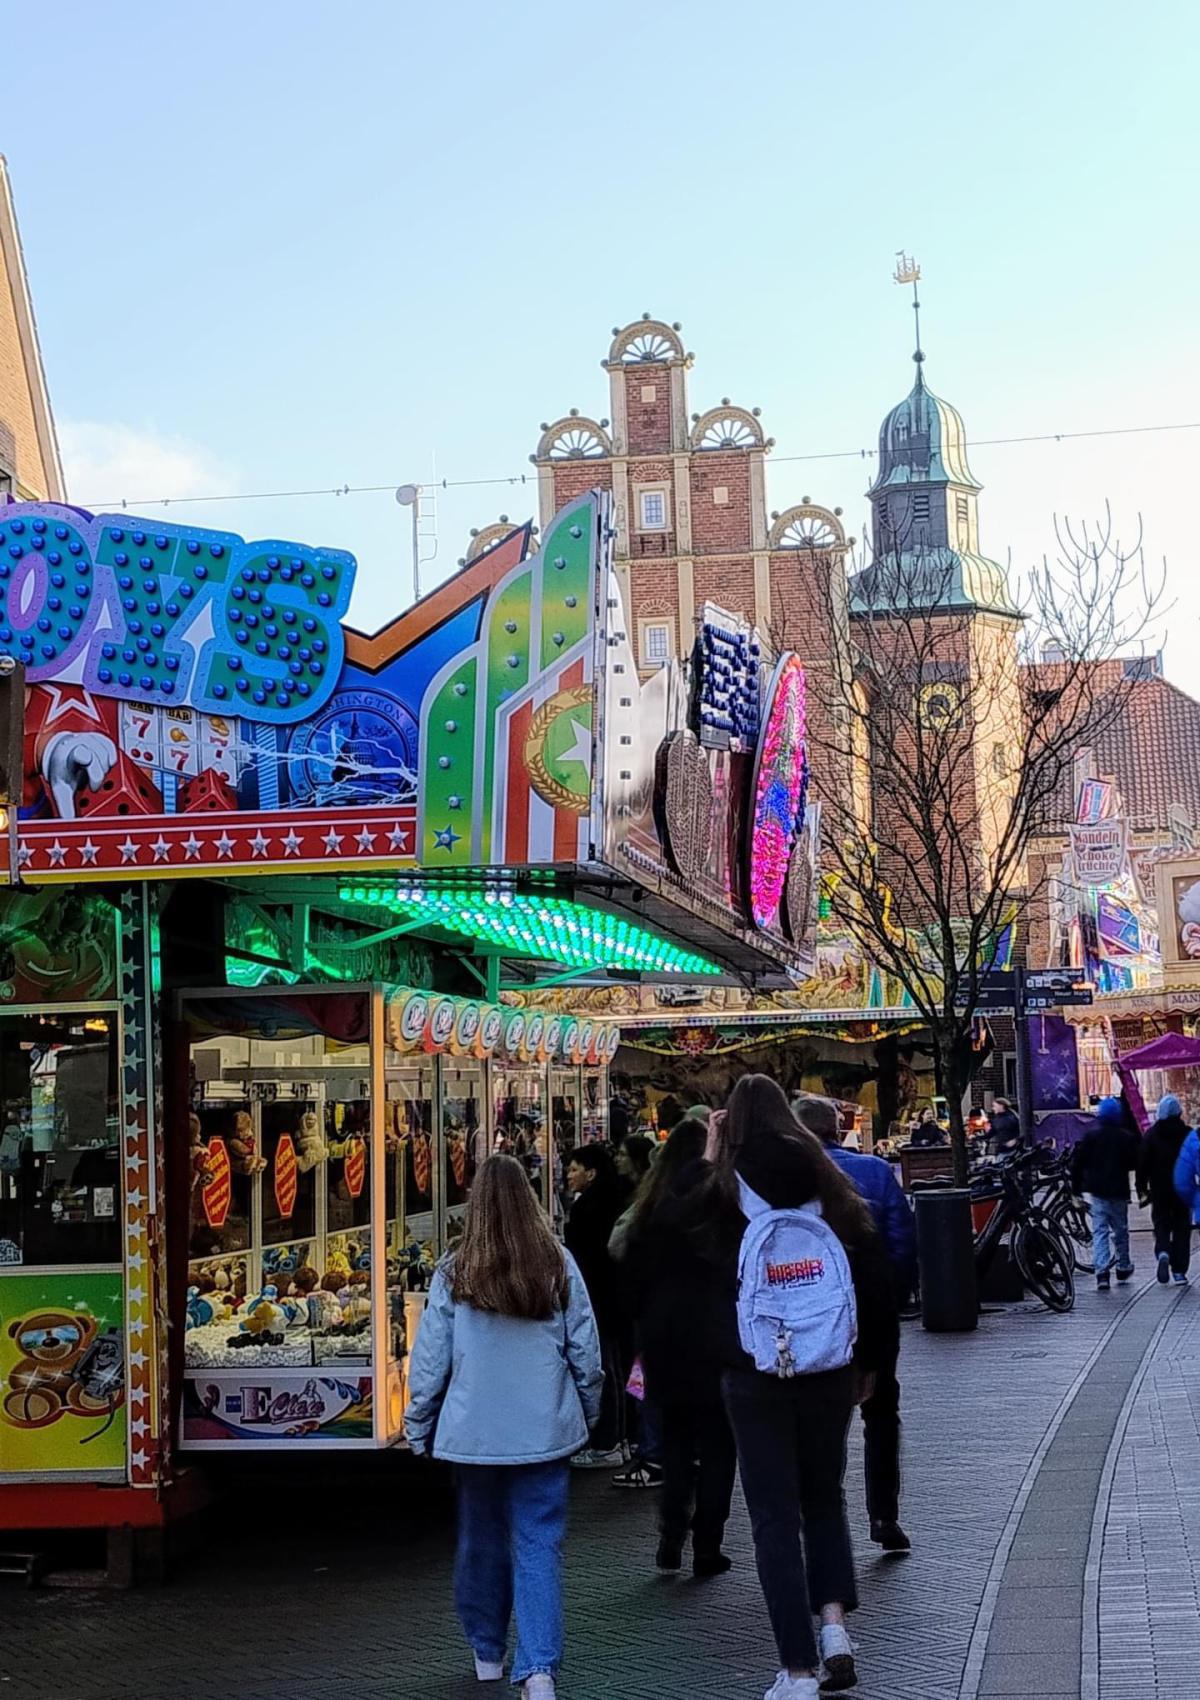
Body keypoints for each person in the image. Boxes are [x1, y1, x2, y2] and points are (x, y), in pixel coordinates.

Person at [697, 1074, 895, 1699]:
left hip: (754, 1371)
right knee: (824, 1496)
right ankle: (834, 1627)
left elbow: (681, 1240)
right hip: (830, 1367)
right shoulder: (827, 1181)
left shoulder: (726, 1190)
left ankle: (798, 1668)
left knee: (773, 1518)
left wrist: (709, 1153)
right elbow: (873, 1267)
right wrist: (870, 1362)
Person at [404, 1155, 602, 1700]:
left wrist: (419, 1423)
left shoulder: (455, 1271)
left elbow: (431, 1360)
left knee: (480, 1542)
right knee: (539, 1546)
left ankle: (487, 1650)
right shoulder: (556, 1264)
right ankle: (539, 1670)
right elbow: (584, 1351)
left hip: (474, 1435)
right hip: (543, 1432)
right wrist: (587, 1409)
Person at [793, 1093, 917, 1553]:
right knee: (882, 1414)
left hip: (815, 1317)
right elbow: (903, 1241)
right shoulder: (875, 1172)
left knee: (825, 1419)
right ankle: (884, 1513)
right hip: (873, 1313)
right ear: (837, 1127)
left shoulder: (788, 1178)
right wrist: (892, 1295)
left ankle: (828, 1512)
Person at [622, 1117, 738, 1573]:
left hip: (662, 1340)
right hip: (714, 1341)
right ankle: (708, 1543)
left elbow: (628, 1284)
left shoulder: (648, 1215)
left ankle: (670, 1533)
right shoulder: (719, 1215)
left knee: (673, 1440)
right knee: (718, 1446)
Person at [563, 1143, 628, 1466]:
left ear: (591, 1173)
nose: (568, 1175)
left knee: (602, 1364)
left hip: (596, 1296)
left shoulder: (587, 1209)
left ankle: (607, 1442)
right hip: (612, 1294)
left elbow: (582, 1256)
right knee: (614, 1365)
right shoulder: (612, 1202)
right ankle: (619, 1436)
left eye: (574, 1169)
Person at [1071, 1095, 1140, 1291]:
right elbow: (1135, 1162)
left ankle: (1102, 1272)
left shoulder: (1092, 1137)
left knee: (1099, 1231)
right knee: (1121, 1230)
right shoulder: (1126, 1137)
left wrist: (1076, 1189)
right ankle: (1123, 1265)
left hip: (1097, 1191)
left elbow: (1078, 1163)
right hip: (1118, 1190)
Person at [1138, 1094, 1193, 1285]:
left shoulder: (1151, 1135)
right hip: (1183, 1189)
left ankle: (1163, 1251)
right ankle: (1179, 1271)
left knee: (1161, 1223)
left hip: (1160, 1189)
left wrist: (1141, 1187)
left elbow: (1142, 1164)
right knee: (1181, 1227)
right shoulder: (1187, 1133)